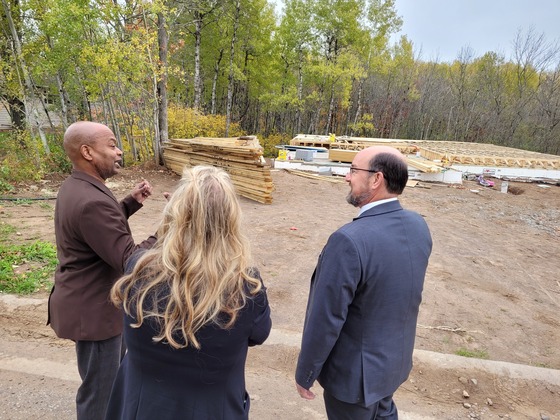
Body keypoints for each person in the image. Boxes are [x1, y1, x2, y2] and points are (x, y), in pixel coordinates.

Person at [105, 165, 272, 420]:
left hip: (142, 407)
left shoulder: (139, 268)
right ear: (231, 219)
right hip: (213, 409)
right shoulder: (246, 283)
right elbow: (258, 334)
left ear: (174, 213)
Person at [295, 146, 432, 419]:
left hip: (354, 380)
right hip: (392, 367)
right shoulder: (418, 226)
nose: (347, 177)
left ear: (376, 179)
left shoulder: (349, 241)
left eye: (354, 170)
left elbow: (326, 318)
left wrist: (306, 372)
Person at [47, 121, 158, 420]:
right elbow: (131, 260)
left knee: (107, 386)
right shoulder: (91, 200)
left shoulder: (77, 186)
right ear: (87, 152)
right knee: (101, 396)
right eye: (111, 145)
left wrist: (129, 204)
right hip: (94, 315)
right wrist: (166, 233)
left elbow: (97, 231)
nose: (119, 151)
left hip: (88, 303)